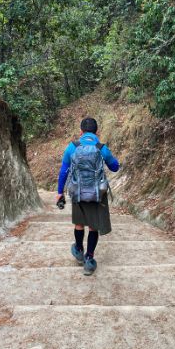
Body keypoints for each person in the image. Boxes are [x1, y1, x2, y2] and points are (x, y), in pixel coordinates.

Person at [56, 117, 120, 276]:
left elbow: (63, 171)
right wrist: (111, 160)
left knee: (79, 223)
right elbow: (115, 167)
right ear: (97, 132)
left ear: (81, 131)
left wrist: (59, 193)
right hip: (98, 193)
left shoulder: (72, 147)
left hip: (78, 192)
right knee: (93, 226)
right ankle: (89, 260)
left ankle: (78, 249)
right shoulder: (101, 148)